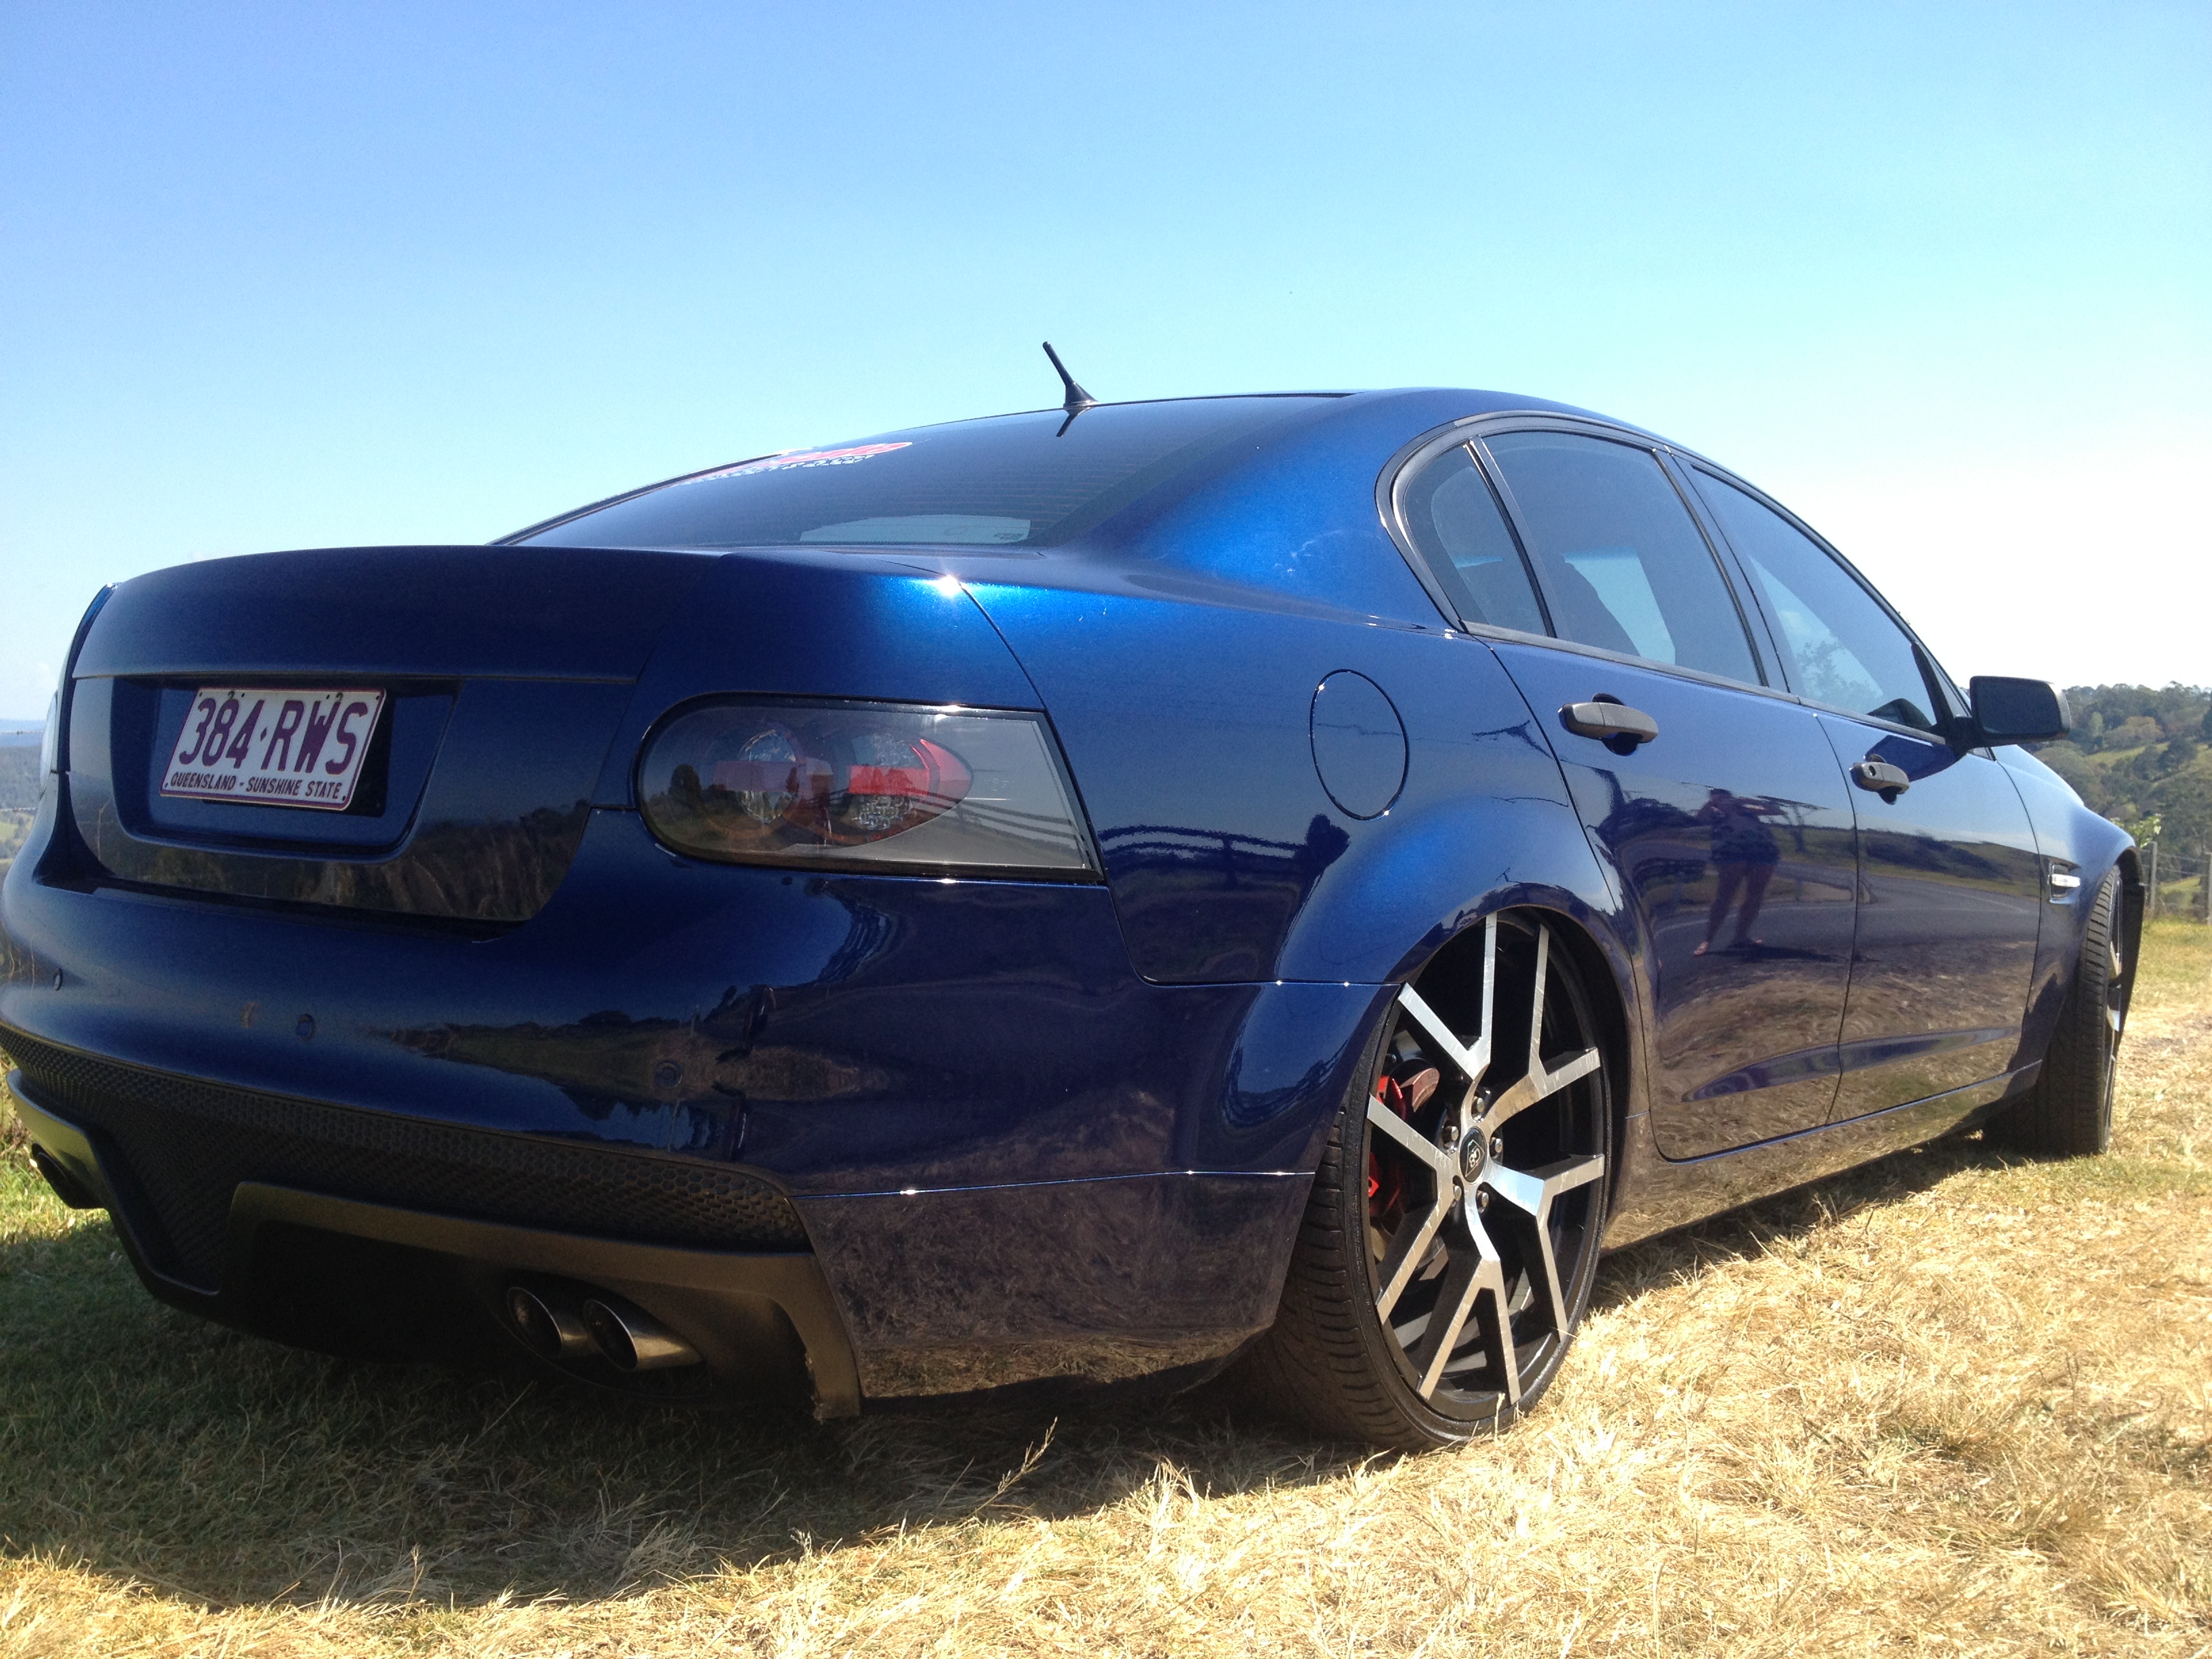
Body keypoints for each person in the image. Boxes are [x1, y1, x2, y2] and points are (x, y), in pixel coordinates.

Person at [1694, 787, 1782, 955]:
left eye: (1726, 797)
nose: (1724, 800)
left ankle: (1741, 937)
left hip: (1762, 849)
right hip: (1731, 851)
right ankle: (1708, 940)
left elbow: (1776, 811)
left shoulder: (1746, 809)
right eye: (1719, 797)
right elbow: (1699, 820)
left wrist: (1747, 801)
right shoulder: (1714, 811)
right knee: (1725, 895)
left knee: (1755, 894)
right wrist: (1713, 803)